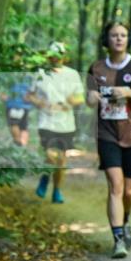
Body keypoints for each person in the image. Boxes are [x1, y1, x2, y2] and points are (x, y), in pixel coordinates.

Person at [86, 22, 131, 259]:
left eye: (123, 35)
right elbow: (89, 98)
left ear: (128, 39)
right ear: (106, 40)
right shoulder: (96, 68)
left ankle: (125, 220)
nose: (119, 39)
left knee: (128, 191)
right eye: (114, 35)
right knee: (115, 186)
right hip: (106, 134)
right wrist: (91, 96)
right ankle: (118, 239)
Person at [26, 42, 84, 204]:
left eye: (59, 55)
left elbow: (80, 97)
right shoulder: (40, 73)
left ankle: (57, 190)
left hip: (66, 124)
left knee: (61, 160)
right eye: (52, 55)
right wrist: (42, 103)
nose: (55, 58)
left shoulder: (72, 74)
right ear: (48, 56)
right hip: (46, 122)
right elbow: (29, 95)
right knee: (50, 156)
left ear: (64, 57)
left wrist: (70, 102)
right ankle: (45, 178)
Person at [3, 74, 33, 147]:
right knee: (24, 127)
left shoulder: (11, 75)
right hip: (26, 106)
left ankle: (17, 142)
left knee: (14, 124)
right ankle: (23, 144)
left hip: (13, 104)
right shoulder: (30, 76)